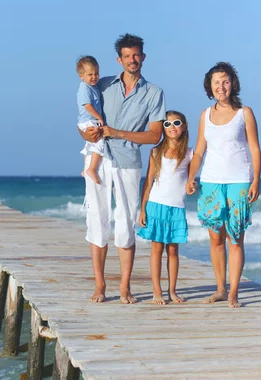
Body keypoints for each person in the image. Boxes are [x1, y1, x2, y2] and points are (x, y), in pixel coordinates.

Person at [79, 33, 166, 304]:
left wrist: (117, 132)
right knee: (97, 220)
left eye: (136, 55)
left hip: (128, 162)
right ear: (119, 59)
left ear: (143, 57)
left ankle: (125, 287)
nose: (132, 60)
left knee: (126, 224)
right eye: (127, 56)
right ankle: (100, 286)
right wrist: (86, 135)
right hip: (100, 159)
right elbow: (82, 118)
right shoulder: (101, 85)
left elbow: (154, 136)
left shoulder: (154, 93)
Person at [186, 62, 261, 308]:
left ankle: (234, 293)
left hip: (238, 180)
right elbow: (199, 151)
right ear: (210, 86)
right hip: (210, 181)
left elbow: (254, 148)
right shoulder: (205, 115)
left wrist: (256, 180)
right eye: (216, 82)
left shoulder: (245, 113)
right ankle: (220, 289)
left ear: (233, 84)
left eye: (226, 81)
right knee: (215, 239)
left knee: (235, 237)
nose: (221, 86)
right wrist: (190, 177)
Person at [138, 111, 192, 305]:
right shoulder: (155, 152)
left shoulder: (189, 153)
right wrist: (142, 208)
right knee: (156, 249)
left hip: (176, 207)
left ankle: (172, 291)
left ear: (184, 126)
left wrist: (193, 186)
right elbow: (148, 182)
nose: (172, 127)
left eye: (176, 123)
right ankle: (157, 291)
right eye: (167, 124)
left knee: (173, 251)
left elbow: (192, 180)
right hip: (156, 205)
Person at [76, 56, 105, 185]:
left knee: (89, 145)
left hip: (87, 120)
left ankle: (84, 169)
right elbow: (87, 105)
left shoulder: (93, 86)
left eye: (96, 73)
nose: (94, 77)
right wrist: (99, 117)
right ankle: (91, 169)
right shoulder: (84, 88)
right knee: (99, 141)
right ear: (81, 76)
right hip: (88, 120)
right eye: (90, 74)